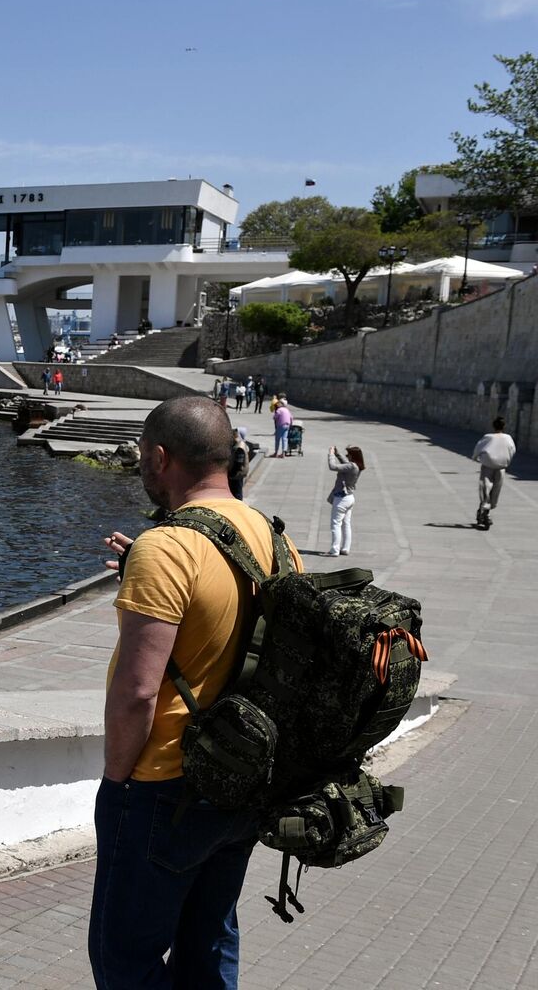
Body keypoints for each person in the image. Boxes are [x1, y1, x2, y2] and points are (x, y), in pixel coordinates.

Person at [92, 396, 304, 989]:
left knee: (125, 959)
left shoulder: (166, 548)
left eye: (141, 456)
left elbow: (138, 691)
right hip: (242, 778)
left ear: (160, 458)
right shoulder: (274, 537)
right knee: (208, 944)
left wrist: (118, 780)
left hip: (163, 784)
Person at [472, 417, 515, 529]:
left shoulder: (488, 437)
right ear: (504, 427)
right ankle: (487, 512)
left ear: (493, 426)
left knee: (486, 488)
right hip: (501, 467)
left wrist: (475, 457)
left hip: (488, 466)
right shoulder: (508, 438)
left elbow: (478, 448)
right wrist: (507, 461)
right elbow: (512, 450)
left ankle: (484, 510)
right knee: (496, 490)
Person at [326, 444, 365, 556]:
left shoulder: (351, 466)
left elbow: (333, 466)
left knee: (336, 524)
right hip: (350, 497)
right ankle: (345, 548)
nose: (347, 455)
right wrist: (338, 453)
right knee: (346, 524)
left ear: (352, 456)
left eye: (348, 454)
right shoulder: (357, 465)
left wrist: (331, 455)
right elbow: (345, 463)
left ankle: (335, 549)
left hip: (341, 498)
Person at [227, 426, 250, 500]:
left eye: (235, 432)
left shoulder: (239, 447)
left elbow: (238, 463)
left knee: (237, 493)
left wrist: (231, 474)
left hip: (237, 474)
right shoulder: (240, 444)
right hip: (238, 473)